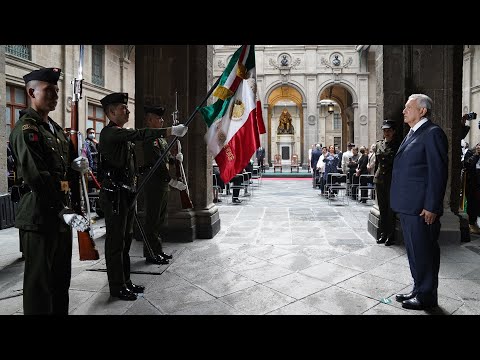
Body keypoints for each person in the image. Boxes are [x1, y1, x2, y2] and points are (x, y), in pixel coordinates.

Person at [9, 67, 89, 315]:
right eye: (49, 90)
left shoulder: (55, 130)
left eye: (57, 90)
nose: (55, 95)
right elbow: (37, 176)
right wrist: (63, 209)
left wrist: (78, 168)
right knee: (39, 286)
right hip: (40, 216)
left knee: (60, 281)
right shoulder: (26, 130)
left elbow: (64, 174)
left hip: (61, 216)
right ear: (32, 92)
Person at [98, 92, 188, 301]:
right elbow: (138, 135)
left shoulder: (120, 133)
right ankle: (117, 286)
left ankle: (125, 281)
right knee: (116, 244)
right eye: (123, 108)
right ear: (111, 112)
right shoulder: (110, 133)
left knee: (126, 241)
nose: (128, 111)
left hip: (125, 193)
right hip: (114, 196)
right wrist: (169, 130)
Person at [390, 93, 448, 310]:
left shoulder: (433, 133)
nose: (404, 111)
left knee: (424, 252)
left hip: (422, 208)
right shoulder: (413, 133)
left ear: (422, 111)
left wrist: (432, 205)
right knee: (415, 252)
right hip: (408, 206)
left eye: (408, 107)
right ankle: (418, 289)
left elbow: (438, 173)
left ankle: (426, 296)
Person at [142, 105, 186, 265]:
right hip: (153, 183)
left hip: (162, 184)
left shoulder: (160, 138)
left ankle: (157, 250)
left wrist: (176, 159)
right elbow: (157, 164)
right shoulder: (148, 138)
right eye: (158, 118)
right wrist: (172, 181)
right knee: (152, 220)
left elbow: (166, 158)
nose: (161, 121)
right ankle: (150, 253)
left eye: (162, 118)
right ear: (149, 120)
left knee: (159, 220)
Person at [374, 120, 399, 246]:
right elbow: (377, 164)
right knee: (382, 209)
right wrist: (374, 177)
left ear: (393, 131)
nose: (386, 133)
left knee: (391, 210)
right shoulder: (378, 145)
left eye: (389, 130)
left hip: (391, 180)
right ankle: (383, 234)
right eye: (385, 130)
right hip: (380, 180)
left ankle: (391, 235)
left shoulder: (398, 145)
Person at [462, 143, 480, 234]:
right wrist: (476, 155)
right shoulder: (470, 152)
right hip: (473, 183)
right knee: (473, 203)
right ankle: (471, 223)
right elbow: (467, 164)